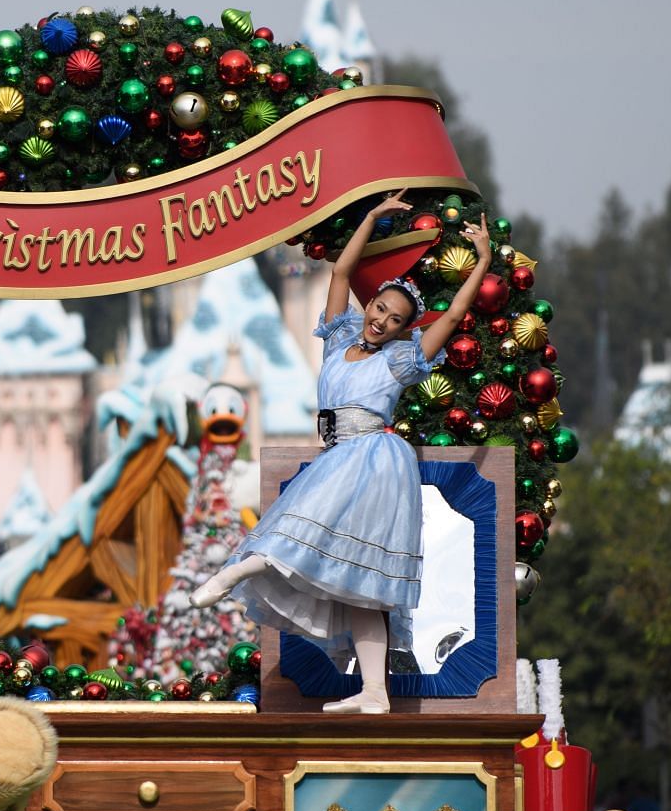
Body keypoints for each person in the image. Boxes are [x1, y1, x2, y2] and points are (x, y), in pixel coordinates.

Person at [193, 192, 491, 714]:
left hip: (370, 457)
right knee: (359, 584)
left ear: (403, 329)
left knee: (303, 526)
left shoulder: (399, 362)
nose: (381, 320)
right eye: (379, 307)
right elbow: (339, 273)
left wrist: (482, 262)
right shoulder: (338, 339)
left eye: (395, 319)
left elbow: (456, 314)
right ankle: (375, 692)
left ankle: (239, 570)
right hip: (341, 453)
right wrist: (373, 218)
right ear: (370, 304)